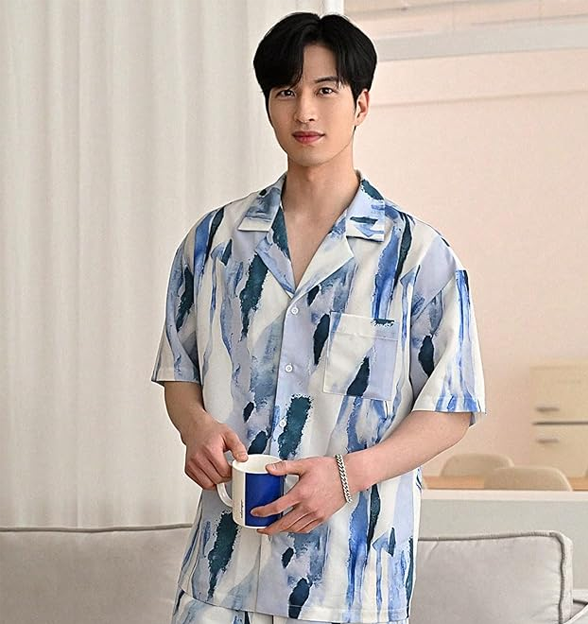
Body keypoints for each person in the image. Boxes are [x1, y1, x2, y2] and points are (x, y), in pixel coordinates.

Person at [151, 11, 486, 624]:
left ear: (361, 104)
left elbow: (451, 408)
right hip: (224, 579)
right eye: (286, 92)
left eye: (325, 90)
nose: (305, 111)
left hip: (351, 582)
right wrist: (195, 427)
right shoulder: (213, 243)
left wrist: (347, 475)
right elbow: (180, 370)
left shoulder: (418, 257)